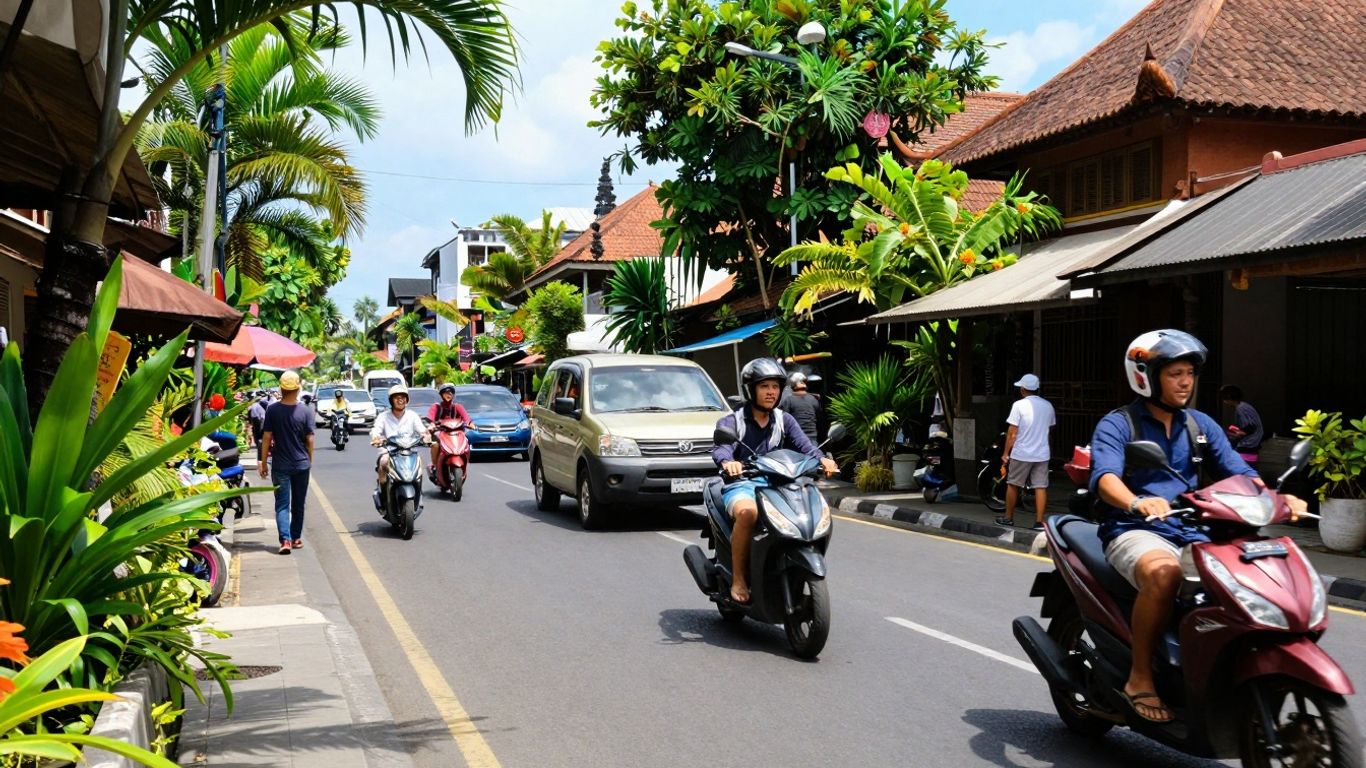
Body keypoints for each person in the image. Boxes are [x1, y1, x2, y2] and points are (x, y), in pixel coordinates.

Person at [1089, 330, 1306, 724]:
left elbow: (1239, 473)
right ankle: (1140, 677)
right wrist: (1137, 502)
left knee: (1247, 577)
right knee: (1164, 573)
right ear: (1146, 377)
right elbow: (1106, 478)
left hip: (1193, 528)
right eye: (1175, 373)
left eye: (1189, 373)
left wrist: (1278, 498)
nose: (1185, 382)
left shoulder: (1200, 425)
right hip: (1137, 528)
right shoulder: (1118, 424)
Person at [712, 358, 838, 604]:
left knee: (810, 509)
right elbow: (722, 448)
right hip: (743, 483)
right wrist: (729, 462)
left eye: (775, 387)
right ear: (751, 390)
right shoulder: (732, 422)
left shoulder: (784, 420)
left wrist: (823, 460)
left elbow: (805, 446)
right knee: (747, 513)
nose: (771, 392)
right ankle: (739, 579)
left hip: (779, 483)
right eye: (764, 386)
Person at [257, 371, 315, 555]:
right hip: (301, 464)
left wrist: (263, 462)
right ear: (298, 389)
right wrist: (309, 460)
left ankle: (285, 540)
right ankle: (296, 537)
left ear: (281, 389)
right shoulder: (306, 411)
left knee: (282, 504)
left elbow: (266, 437)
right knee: (298, 503)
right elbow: (310, 440)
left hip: (280, 465)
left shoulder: (272, 410)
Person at [994, 374, 1056, 530]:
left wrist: (1005, 453)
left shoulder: (1019, 405)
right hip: (1042, 453)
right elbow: (1049, 431)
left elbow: (1012, 433)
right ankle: (1039, 522)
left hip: (1022, 453)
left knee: (1013, 484)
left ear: (1022, 389)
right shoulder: (1048, 406)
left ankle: (1008, 518)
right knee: (1040, 486)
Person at [370, 383, 427, 491]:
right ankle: (383, 492)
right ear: (391, 400)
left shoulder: (412, 416)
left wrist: (426, 436)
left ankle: (418, 495)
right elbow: (376, 430)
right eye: (397, 398)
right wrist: (376, 437)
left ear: (407, 400)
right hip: (389, 451)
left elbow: (422, 430)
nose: (400, 400)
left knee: (419, 465)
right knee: (383, 462)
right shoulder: (383, 416)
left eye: (403, 397)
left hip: (409, 452)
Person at [427, 383, 471, 475]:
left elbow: (466, 418)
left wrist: (471, 424)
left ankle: (465, 463)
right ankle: (435, 466)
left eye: (450, 393)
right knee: (435, 445)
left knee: (466, 443)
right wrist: (431, 425)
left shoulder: (457, 407)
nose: (448, 395)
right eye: (446, 393)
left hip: (456, 434)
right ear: (441, 395)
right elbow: (430, 418)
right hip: (440, 433)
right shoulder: (436, 407)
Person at [1219, 384, 1264, 464]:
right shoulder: (1244, 406)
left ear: (1229, 398)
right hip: (1252, 443)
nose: (1224, 401)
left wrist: (1233, 434)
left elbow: (1249, 428)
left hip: (1249, 444)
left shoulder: (1241, 408)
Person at [779, 371, 824, 444]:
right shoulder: (813, 399)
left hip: (795, 440)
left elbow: (782, 422)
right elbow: (820, 422)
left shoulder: (788, 400)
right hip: (811, 440)